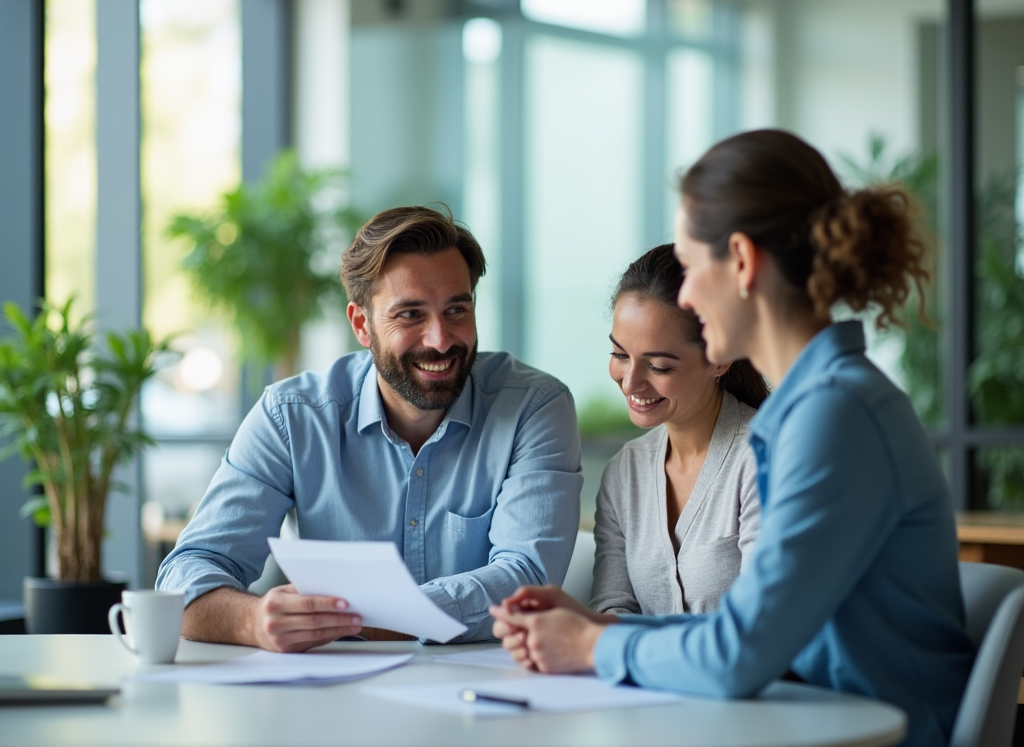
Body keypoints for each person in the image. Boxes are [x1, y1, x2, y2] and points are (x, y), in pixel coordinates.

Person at [490, 129, 974, 747]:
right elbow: (746, 632)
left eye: (691, 268)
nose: (686, 294)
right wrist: (595, 629)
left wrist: (595, 643)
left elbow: (741, 651)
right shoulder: (811, 408)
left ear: (742, 262)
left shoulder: (834, 415)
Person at [157, 204, 583, 651]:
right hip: (334, 696)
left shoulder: (534, 408)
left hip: (483, 696)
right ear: (362, 324)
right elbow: (186, 573)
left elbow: (525, 580)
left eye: (457, 309)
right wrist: (253, 621)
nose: (440, 339)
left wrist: (347, 617)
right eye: (410, 315)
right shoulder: (291, 417)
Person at [593, 244, 767, 617]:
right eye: (620, 355)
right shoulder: (625, 473)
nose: (630, 384)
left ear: (719, 358)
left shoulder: (765, 457)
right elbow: (613, 607)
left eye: (658, 366)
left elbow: (762, 624)